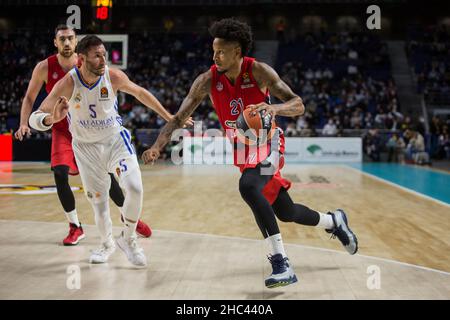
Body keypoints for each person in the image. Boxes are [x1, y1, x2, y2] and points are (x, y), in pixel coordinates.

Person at [142, 18, 358, 288]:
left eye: (221, 51)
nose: (215, 56)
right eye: (213, 50)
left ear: (237, 51)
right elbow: (178, 118)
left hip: (270, 145)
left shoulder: (259, 71)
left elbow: (298, 104)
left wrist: (275, 109)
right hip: (244, 154)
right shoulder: (207, 80)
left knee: (248, 186)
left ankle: (281, 263)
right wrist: (156, 146)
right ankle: (333, 220)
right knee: (286, 211)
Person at [29, 35, 191, 265]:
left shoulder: (112, 76)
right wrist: (49, 119)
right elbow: (37, 116)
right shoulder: (68, 82)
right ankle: (106, 244)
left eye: (104, 54)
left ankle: (129, 238)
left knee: (135, 188)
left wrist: (171, 117)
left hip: (115, 140)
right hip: (85, 148)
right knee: (99, 202)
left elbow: (141, 93)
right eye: (97, 56)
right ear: (82, 59)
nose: (103, 59)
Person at [14, 25, 152, 246]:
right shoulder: (44, 68)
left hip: (94, 130)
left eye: (70, 38)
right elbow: (30, 98)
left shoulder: (91, 64)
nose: (67, 43)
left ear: (77, 43)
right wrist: (24, 123)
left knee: (108, 178)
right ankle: (75, 226)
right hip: (62, 129)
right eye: (62, 39)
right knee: (59, 173)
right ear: (55, 43)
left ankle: (128, 216)